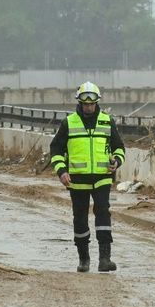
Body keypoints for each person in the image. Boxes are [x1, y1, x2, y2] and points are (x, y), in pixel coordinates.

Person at [49, 81, 126, 272]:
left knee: (103, 213)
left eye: (92, 103)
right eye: (86, 103)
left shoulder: (107, 121)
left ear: (97, 102)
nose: (89, 107)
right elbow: (56, 149)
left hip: (102, 178)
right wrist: (61, 171)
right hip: (77, 180)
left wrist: (116, 161)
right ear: (80, 103)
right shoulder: (69, 122)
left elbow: (119, 148)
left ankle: (105, 259)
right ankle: (84, 260)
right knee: (80, 219)